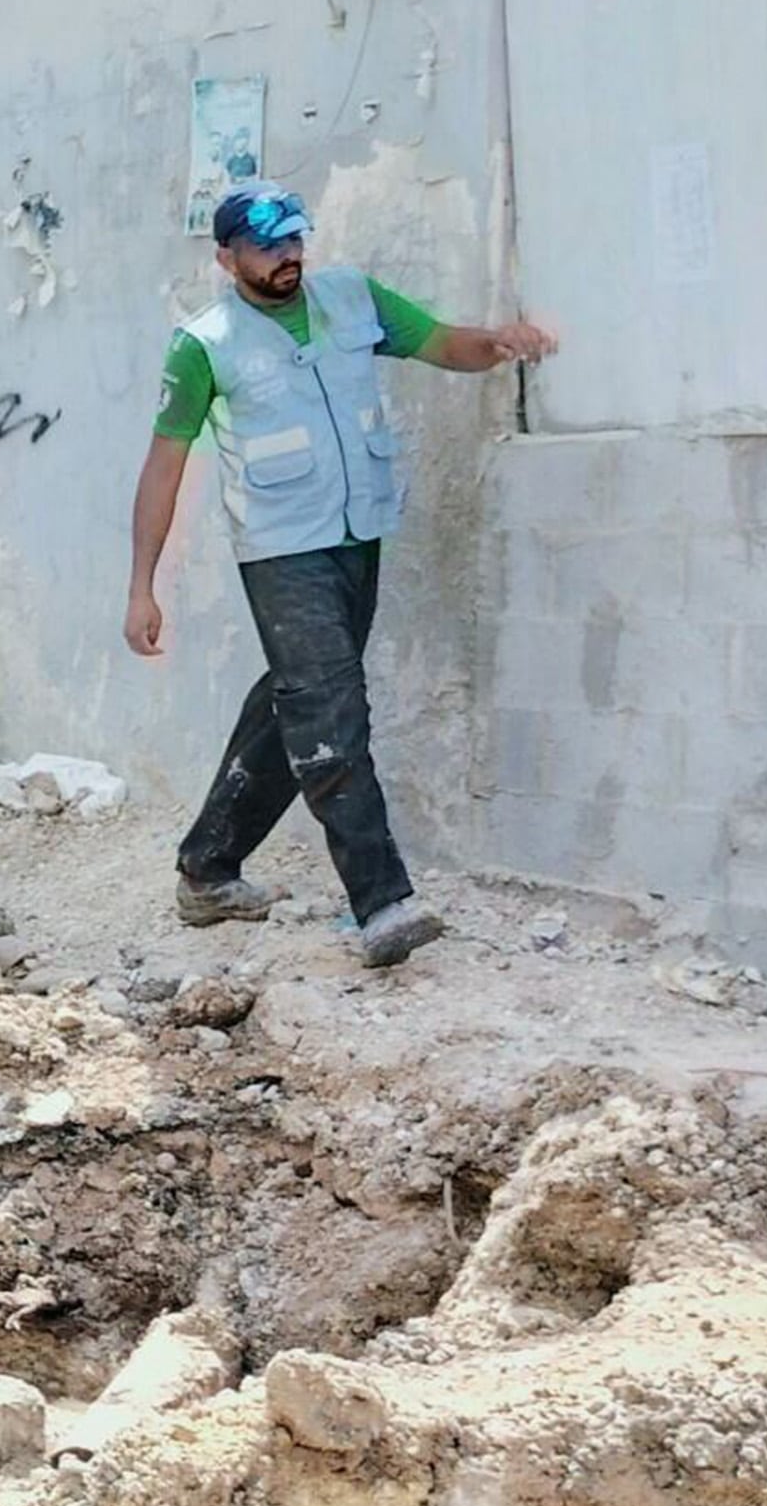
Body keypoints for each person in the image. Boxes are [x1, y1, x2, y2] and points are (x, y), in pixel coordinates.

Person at [126, 182, 559, 970]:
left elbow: (439, 342)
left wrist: (497, 341)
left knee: (296, 701)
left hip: (357, 535)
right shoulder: (204, 343)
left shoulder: (349, 296)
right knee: (330, 712)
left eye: (294, 240)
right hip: (281, 550)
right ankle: (382, 901)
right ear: (227, 259)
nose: (287, 257)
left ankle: (207, 867)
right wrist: (142, 586)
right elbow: (163, 467)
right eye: (266, 247)